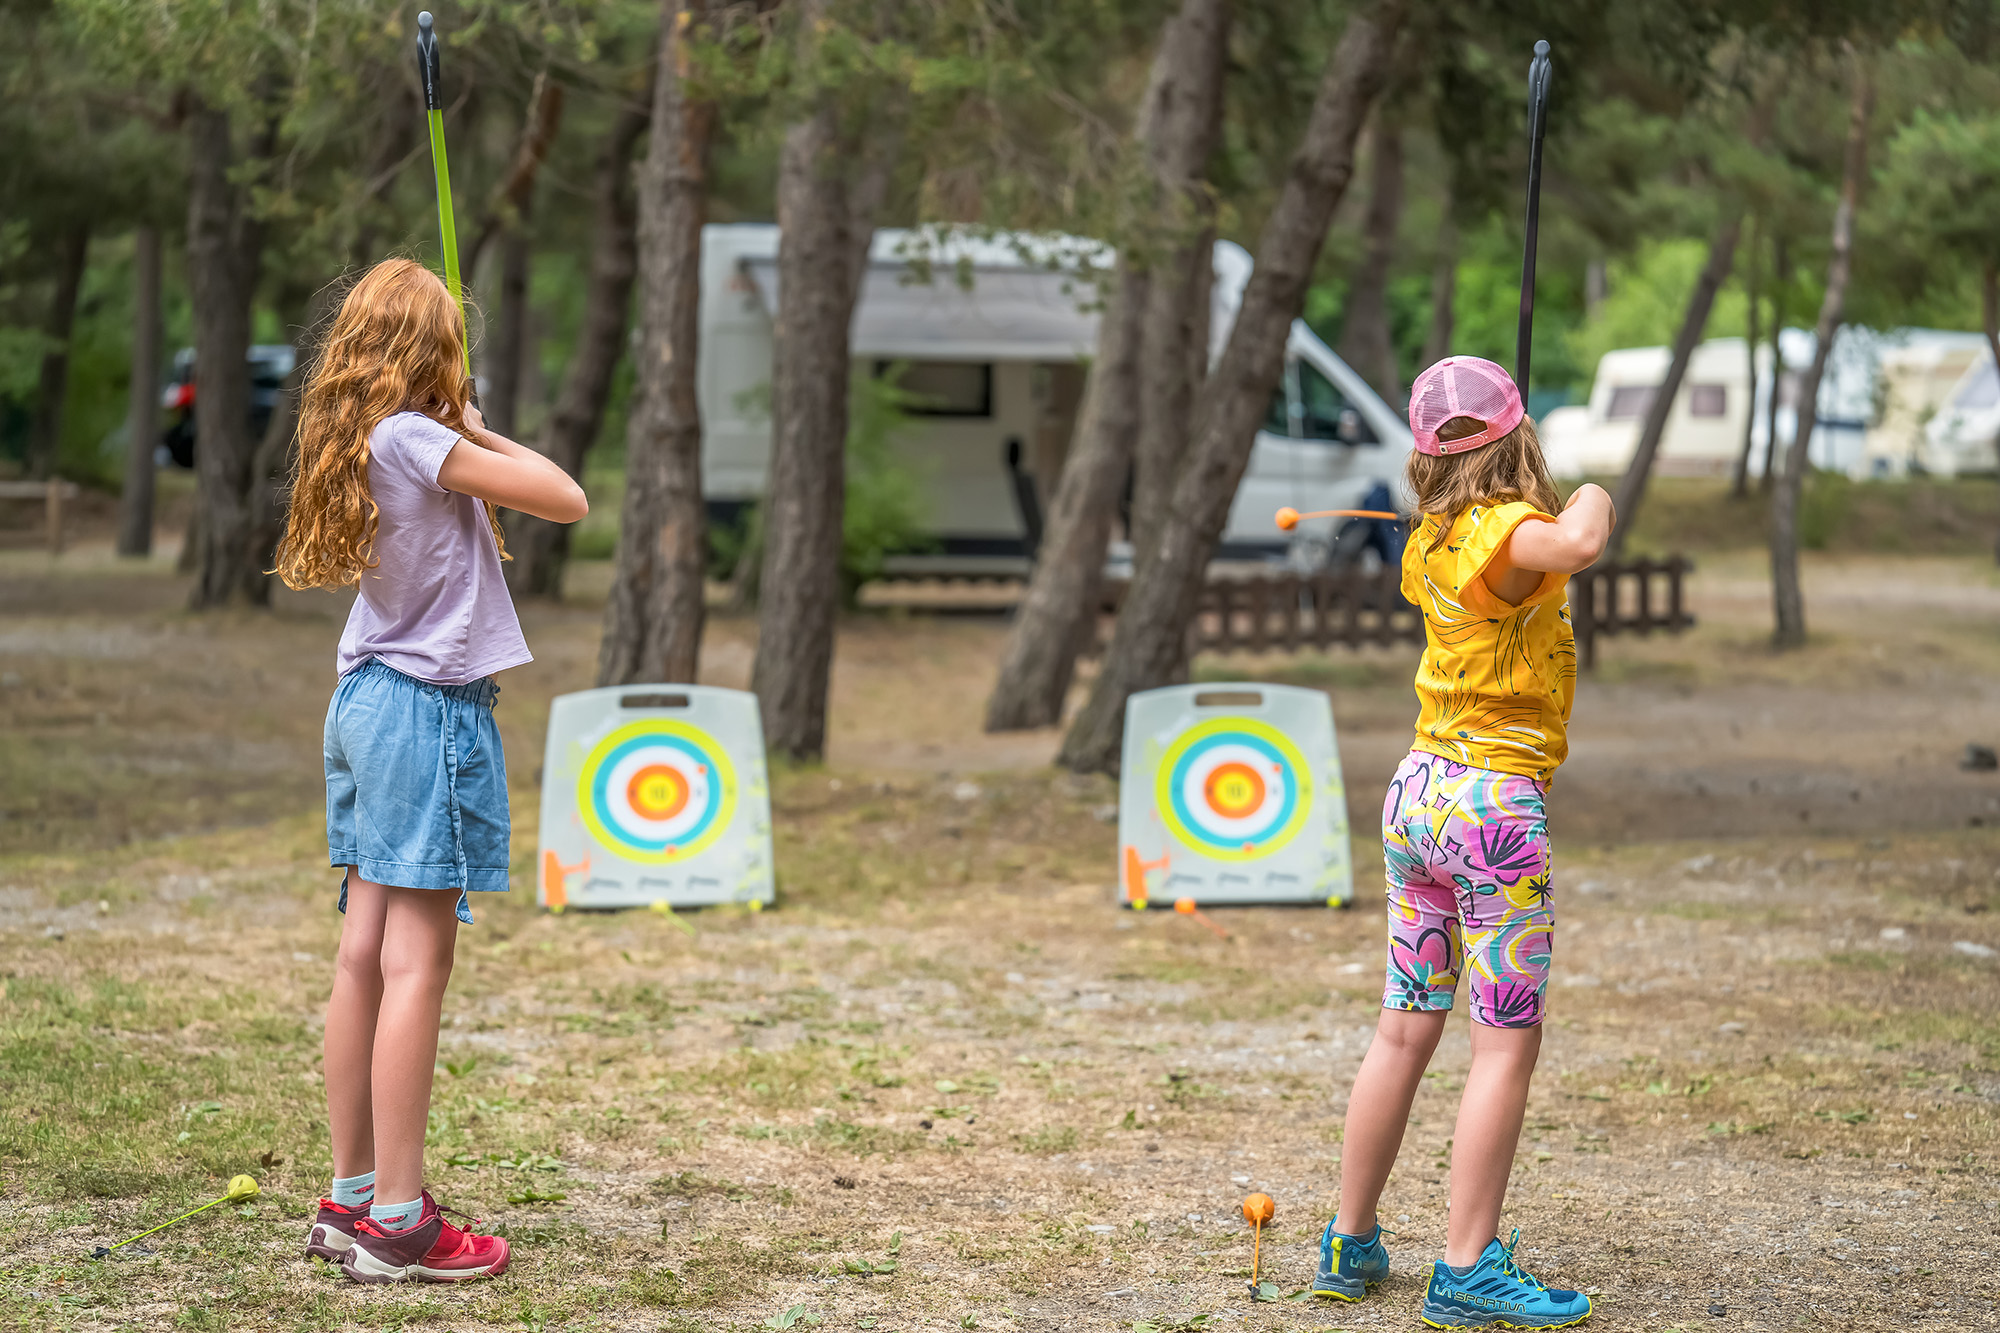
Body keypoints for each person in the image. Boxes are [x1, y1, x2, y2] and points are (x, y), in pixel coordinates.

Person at [275, 258, 587, 1283]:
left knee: (363, 955)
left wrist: (450, 419)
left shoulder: (360, 434)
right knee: (416, 963)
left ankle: (352, 1195)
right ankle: (401, 1222)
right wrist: (478, 425)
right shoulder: (420, 438)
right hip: (425, 714)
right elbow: (566, 497)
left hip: (366, 701)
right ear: (432, 352)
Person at [1312, 356, 1612, 1329]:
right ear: (1518, 438)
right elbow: (1577, 538)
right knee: (1501, 1043)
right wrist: (1593, 483)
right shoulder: (1510, 532)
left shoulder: (1437, 537)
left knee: (1404, 1024)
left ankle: (1349, 1241)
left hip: (1419, 796)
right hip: (1490, 813)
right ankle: (1467, 1262)